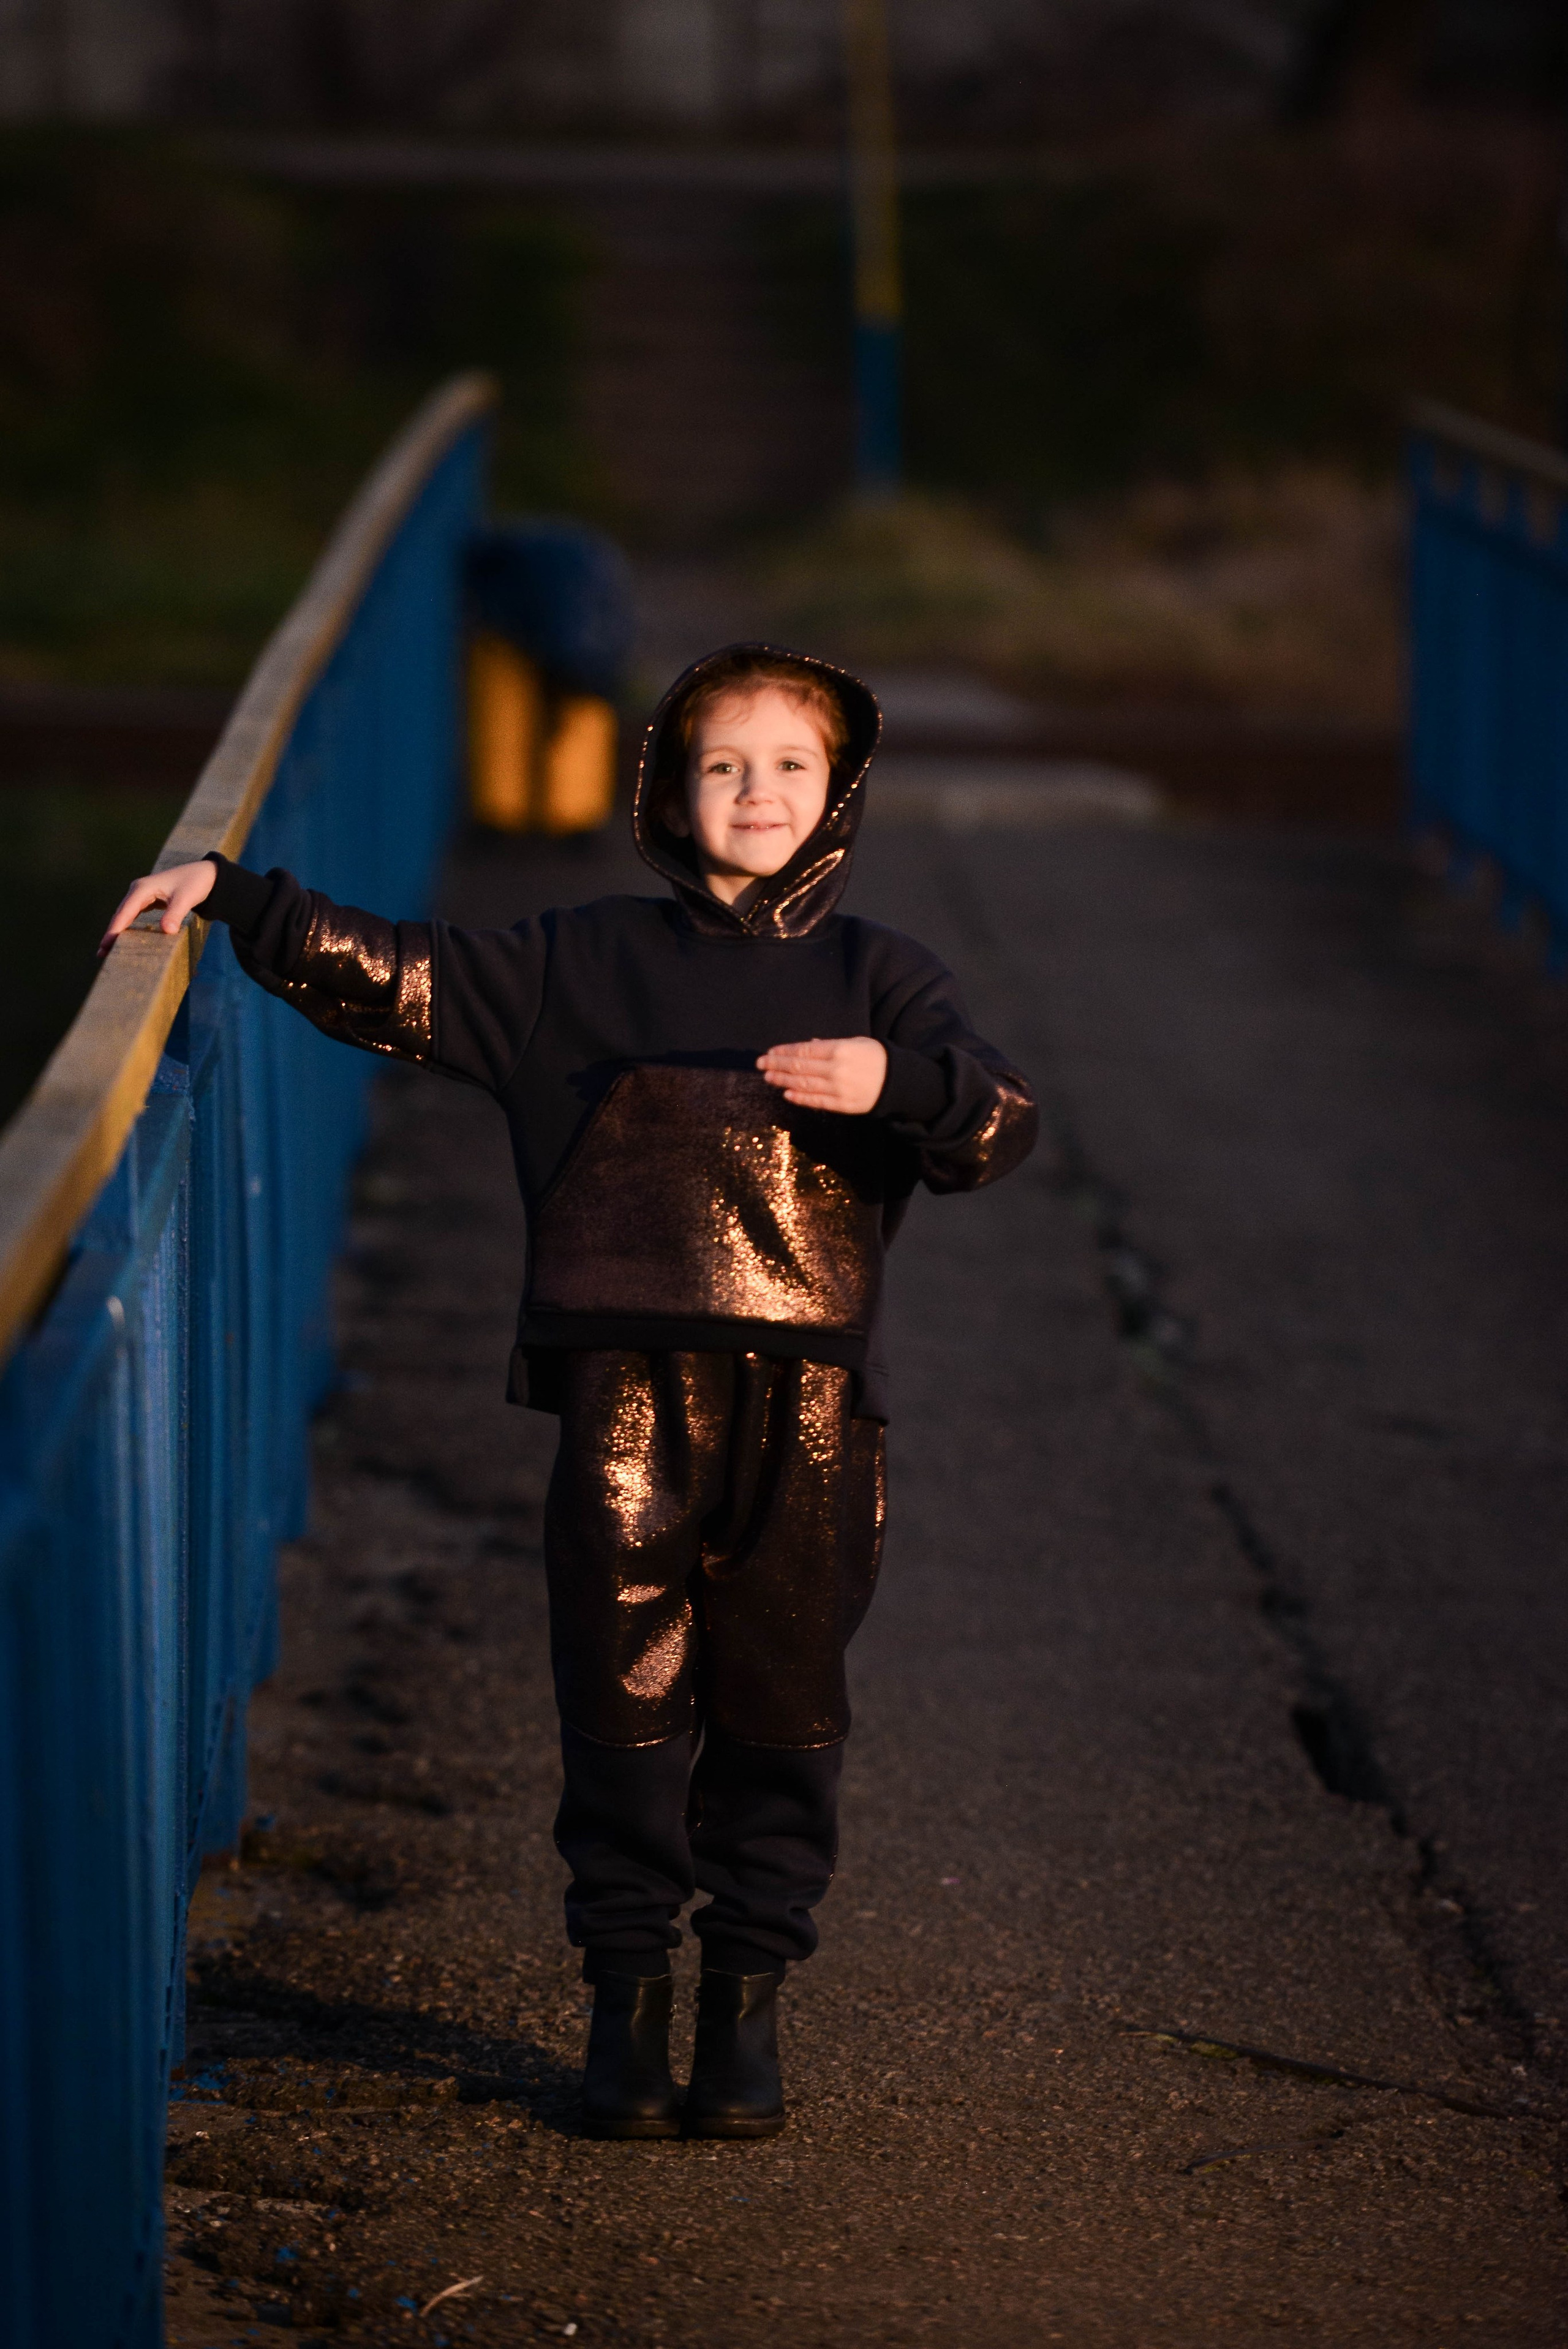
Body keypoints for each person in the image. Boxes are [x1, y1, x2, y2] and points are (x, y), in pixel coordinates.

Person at [103, 643, 1038, 2141]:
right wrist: (236, 897)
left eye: (790, 766)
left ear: (840, 789)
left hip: (809, 1417)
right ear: (668, 785)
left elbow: (995, 1123)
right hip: (624, 1404)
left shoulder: (884, 976)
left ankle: (743, 2002)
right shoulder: (576, 962)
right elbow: (402, 978)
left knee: (782, 1715)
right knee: (619, 1711)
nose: (756, 792)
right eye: (722, 764)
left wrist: (898, 1085)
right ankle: (624, 2000)